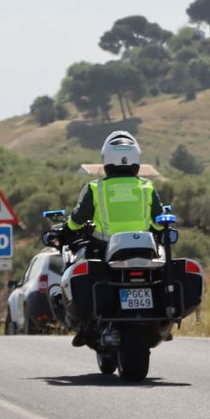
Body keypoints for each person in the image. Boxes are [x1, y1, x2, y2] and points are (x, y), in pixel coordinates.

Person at [61, 131, 166, 346]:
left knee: (83, 268)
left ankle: (87, 324)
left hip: (104, 248)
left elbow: (78, 219)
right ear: (136, 159)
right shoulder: (147, 187)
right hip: (144, 250)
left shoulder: (95, 188)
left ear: (107, 159)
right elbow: (159, 221)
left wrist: (66, 230)